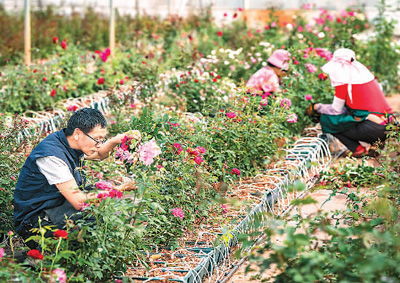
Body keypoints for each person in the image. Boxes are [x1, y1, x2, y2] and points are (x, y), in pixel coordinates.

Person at [14, 108, 128, 248]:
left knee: (104, 197)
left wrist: (117, 140)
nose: (99, 144)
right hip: (36, 222)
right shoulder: (51, 156)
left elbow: (99, 155)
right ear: (78, 133)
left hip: (55, 205)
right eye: (96, 139)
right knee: (101, 212)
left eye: (101, 139)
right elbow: (79, 202)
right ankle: (52, 254)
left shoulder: (68, 142)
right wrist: (117, 190)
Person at [309, 48, 393, 157]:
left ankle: (358, 149)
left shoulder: (344, 83)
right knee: (355, 115)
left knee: (328, 120)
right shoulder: (366, 77)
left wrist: (317, 107)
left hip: (373, 127)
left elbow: (336, 110)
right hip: (388, 124)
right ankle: (376, 144)